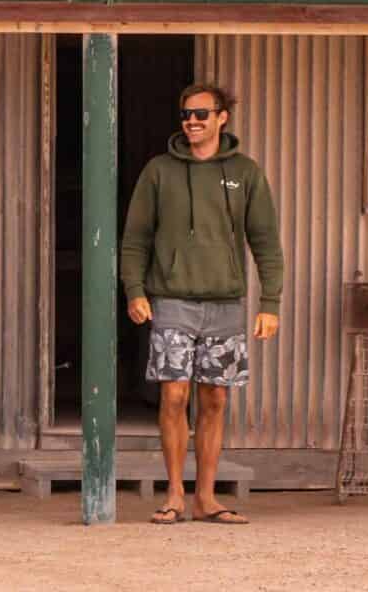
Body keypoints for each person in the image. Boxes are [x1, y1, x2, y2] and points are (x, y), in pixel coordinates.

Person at [119, 79, 284, 527]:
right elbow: (135, 239)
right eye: (186, 115)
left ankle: (206, 498)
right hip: (171, 300)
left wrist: (270, 301)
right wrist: (135, 291)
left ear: (221, 118)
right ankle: (174, 494)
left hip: (226, 303)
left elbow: (265, 240)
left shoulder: (245, 172)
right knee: (173, 394)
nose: (192, 122)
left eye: (201, 114)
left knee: (215, 400)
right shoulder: (158, 171)